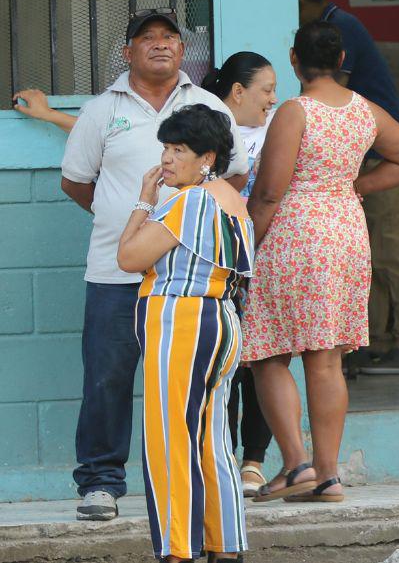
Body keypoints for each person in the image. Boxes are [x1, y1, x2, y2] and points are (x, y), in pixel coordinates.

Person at [59, 10, 248, 522]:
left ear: (183, 51)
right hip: (116, 272)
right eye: (148, 38)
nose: (161, 44)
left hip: (189, 283)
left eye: (170, 37)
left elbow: (234, 179)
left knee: (198, 383)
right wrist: (133, 223)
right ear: (128, 52)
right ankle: (100, 481)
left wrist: (163, 231)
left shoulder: (207, 106)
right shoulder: (102, 111)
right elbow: (77, 183)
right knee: (107, 378)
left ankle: (209, 479)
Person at [244, 21, 399, 503]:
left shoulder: (294, 112)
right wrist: (356, 186)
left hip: (295, 233)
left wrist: (243, 250)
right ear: (343, 60)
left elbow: (267, 193)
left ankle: (297, 464)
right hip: (346, 233)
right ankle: (329, 476)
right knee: (326, 361)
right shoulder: (365, 110)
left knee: (268, 353)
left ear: (293, 60)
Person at [116, 104, 252, 562]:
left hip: (184, 322)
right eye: (166, 147)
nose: (167, 158)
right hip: (222, 321)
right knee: (213, 440)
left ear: (207, 157)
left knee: (170, 438)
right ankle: (225, 545)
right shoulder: (232, 199)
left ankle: (178, 550)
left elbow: (129, 258)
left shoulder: (188, 200)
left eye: (179, 149)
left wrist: (141, 202)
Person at [298, 0, 399, 376]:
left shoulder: (341, 29)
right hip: (359, 156)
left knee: (392, 248)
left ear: (301, 0)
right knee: (365, 254)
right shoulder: (334, 23)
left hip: (386, 155)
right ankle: (367, 342)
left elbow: (330, 95)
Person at [201, 52, 278, 499]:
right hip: (218, 263)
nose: (273, 98)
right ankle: (223, 457)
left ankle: (254, 461)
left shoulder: (277, 131)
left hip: (264, 262)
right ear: (238, 92)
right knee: (221, 363)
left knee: (261, 362)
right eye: (266, 89)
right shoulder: (208, 131)